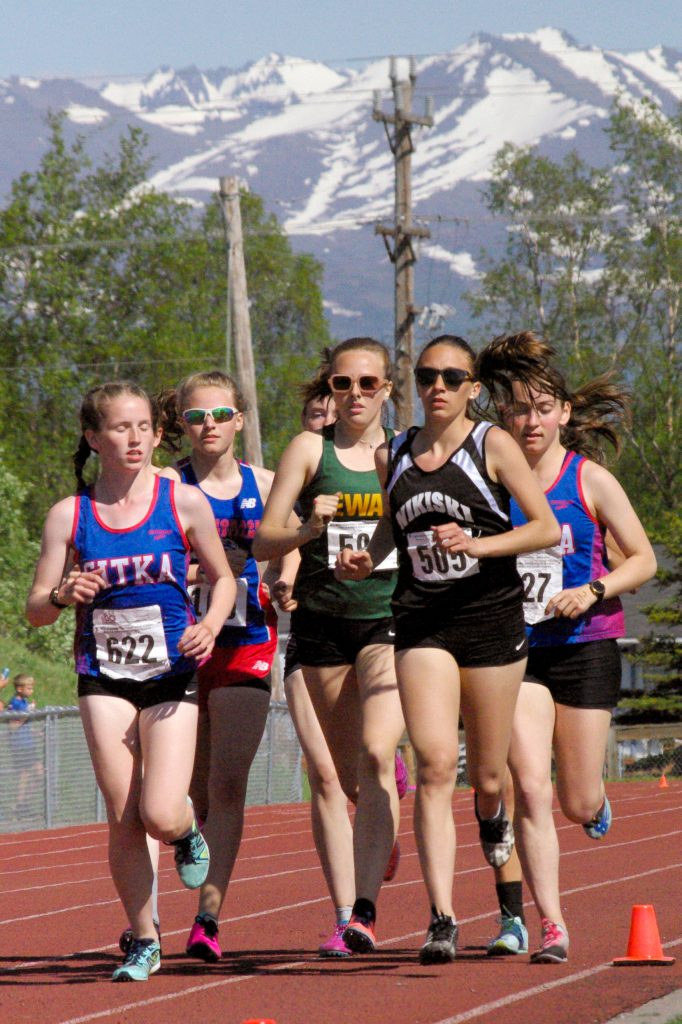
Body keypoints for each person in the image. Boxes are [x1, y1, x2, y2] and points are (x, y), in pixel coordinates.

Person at [336, 334, 560, 965]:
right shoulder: (392, 453)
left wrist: (478, 544)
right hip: (421, 622)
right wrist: (367, 558)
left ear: (473, 388)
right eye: (428, 376)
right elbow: (393, 526)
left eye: (452, 378)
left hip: (489, 621)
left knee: (487, 777)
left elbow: (545, 528)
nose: (438, 387)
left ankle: (493, 819)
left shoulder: (492, 445)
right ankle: (443, 918)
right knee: (435, 766)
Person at [26, 381, 235, 983]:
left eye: (144, 426)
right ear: (94, 438)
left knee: (160, 813)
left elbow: (224, 579)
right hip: (104, 677)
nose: (135, 438)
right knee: (124, 816)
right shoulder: (71, 514)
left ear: (158, 433)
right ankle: (144, 940)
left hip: (171, 672)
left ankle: (186, 831)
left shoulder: (183, 503)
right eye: (121, 428)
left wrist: (210, 625)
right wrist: (62, 593)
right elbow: (35, 609)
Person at [476, 331, 657, 963]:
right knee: (530, 786)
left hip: (584, 644)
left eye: (543, 408)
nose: (531, 422)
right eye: (519, 409)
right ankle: (552, 924)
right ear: (503, 415)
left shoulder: (590, 480)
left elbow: (645, 559)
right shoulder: (492, 483)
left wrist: (593, 589)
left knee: (575, 800)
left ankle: (595, 800)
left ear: (564, 413)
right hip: (516, 649)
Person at [253, 337, 406, 954]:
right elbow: (264, 540)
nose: (356, 395)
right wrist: (308, 529)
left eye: (369, 384)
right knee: (349, 781)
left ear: (387, 389)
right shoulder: (308, 450)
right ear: (331, 389)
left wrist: (379, 553)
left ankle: (360, 915)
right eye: (344, 384)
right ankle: (377, 832)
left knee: (377, 753)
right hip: (322, 625)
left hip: (387, 620)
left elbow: (419, 530)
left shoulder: (403, 452)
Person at [157, 369, 290, 964]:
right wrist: (197, 572)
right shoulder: (166, 485)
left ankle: (207, 919)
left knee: (228, 784)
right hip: (179, 648)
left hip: (245, 641)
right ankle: (190, 837)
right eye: (195, 416)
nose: (208, 425)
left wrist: (285, 580)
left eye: (219, 414)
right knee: (192, 794)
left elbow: (290, 547)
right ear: (181, 424)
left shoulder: (266, 484)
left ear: (239, 419)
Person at [6, 673, 44, 818]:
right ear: (20, 689)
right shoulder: (15, 703)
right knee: (24, 775)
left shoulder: (24, 702)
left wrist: (36, 732)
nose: (31, 691)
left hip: (29, 744)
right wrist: (27, 713)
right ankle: (19, 806)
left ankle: (23, 803)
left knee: (40, 773)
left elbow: (24, 726)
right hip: (19, 745)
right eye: (29, 688)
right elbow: (13, 727)